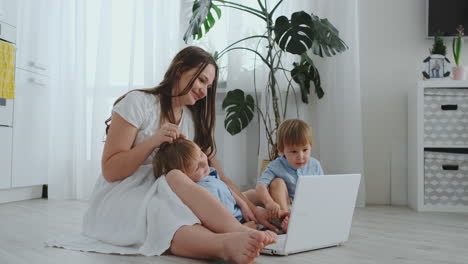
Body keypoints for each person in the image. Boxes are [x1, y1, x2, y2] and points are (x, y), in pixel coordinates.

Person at [82, 46, 278, 264]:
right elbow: (110, 170)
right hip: (125, 191)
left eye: (209, 86)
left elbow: (217, 175)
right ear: (179, 70)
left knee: (182, 198)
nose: (205, 91)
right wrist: (153, 141)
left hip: (169, 189)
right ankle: (226, 243)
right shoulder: (138, 103)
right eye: (202, 80)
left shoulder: (192, 121)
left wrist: (247, 207)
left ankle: (236, 233)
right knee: (165, 207)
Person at [153, 138, 267, 230]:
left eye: (201, 155)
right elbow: (211, 222)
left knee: (257, 194)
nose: (204, 163)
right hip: (235, 223)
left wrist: (243, 205)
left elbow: (226, 188)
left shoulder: (209, 173)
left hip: (240, 211)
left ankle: (279, 214)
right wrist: (242, 227)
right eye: (197, 167)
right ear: (185, 177)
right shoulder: (200, 191)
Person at [246, 119, 324, 233]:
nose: (300, 156)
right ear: (281, 150)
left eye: (305, 150)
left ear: (311, 146)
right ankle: (286, 220)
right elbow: (260, 185)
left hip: (305, 209)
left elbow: (323, 190)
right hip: (281, 208)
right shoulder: (276, 166)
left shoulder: (315, 165)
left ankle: (293, 222)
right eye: (293, 151)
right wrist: (269, 203)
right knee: (276, 183)